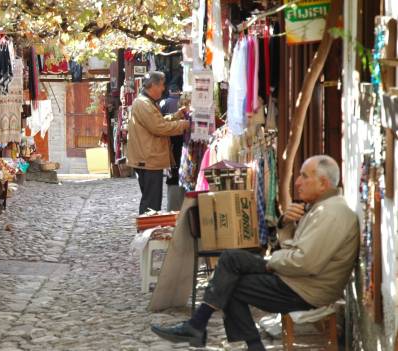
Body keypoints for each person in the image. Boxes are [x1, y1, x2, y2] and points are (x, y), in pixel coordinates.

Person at [151, 155, 359, 350]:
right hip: (299, 280)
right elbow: (294, 248)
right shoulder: (321, 208)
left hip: (307, 290)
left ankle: (200, 327)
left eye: (304, 176)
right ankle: (201, 327)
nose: (297, 182)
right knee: (229, 266)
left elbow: (304, 262)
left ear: (323, 183)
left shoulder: (331, 213)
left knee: (228, 279)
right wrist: (285, 224)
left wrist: (271, 261)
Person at [127, 71, 189, 214]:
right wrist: (184, 125)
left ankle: (147, 231)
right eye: (161, 85)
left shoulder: (146, 102)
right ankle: (147, 233)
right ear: (153, 85)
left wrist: (175, 116)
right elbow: (159, 127)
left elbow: (157, 122)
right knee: (151, 203)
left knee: (151, 200)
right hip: (148, 160)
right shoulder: (144, 104)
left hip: (148, 158)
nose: (163, 89)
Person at [159, 85, 186, 211]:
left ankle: (173, 213)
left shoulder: (163, 103)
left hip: (173, 156)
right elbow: (159, 125)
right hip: (177, 152)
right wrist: (181, 124)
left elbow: (161, 122)